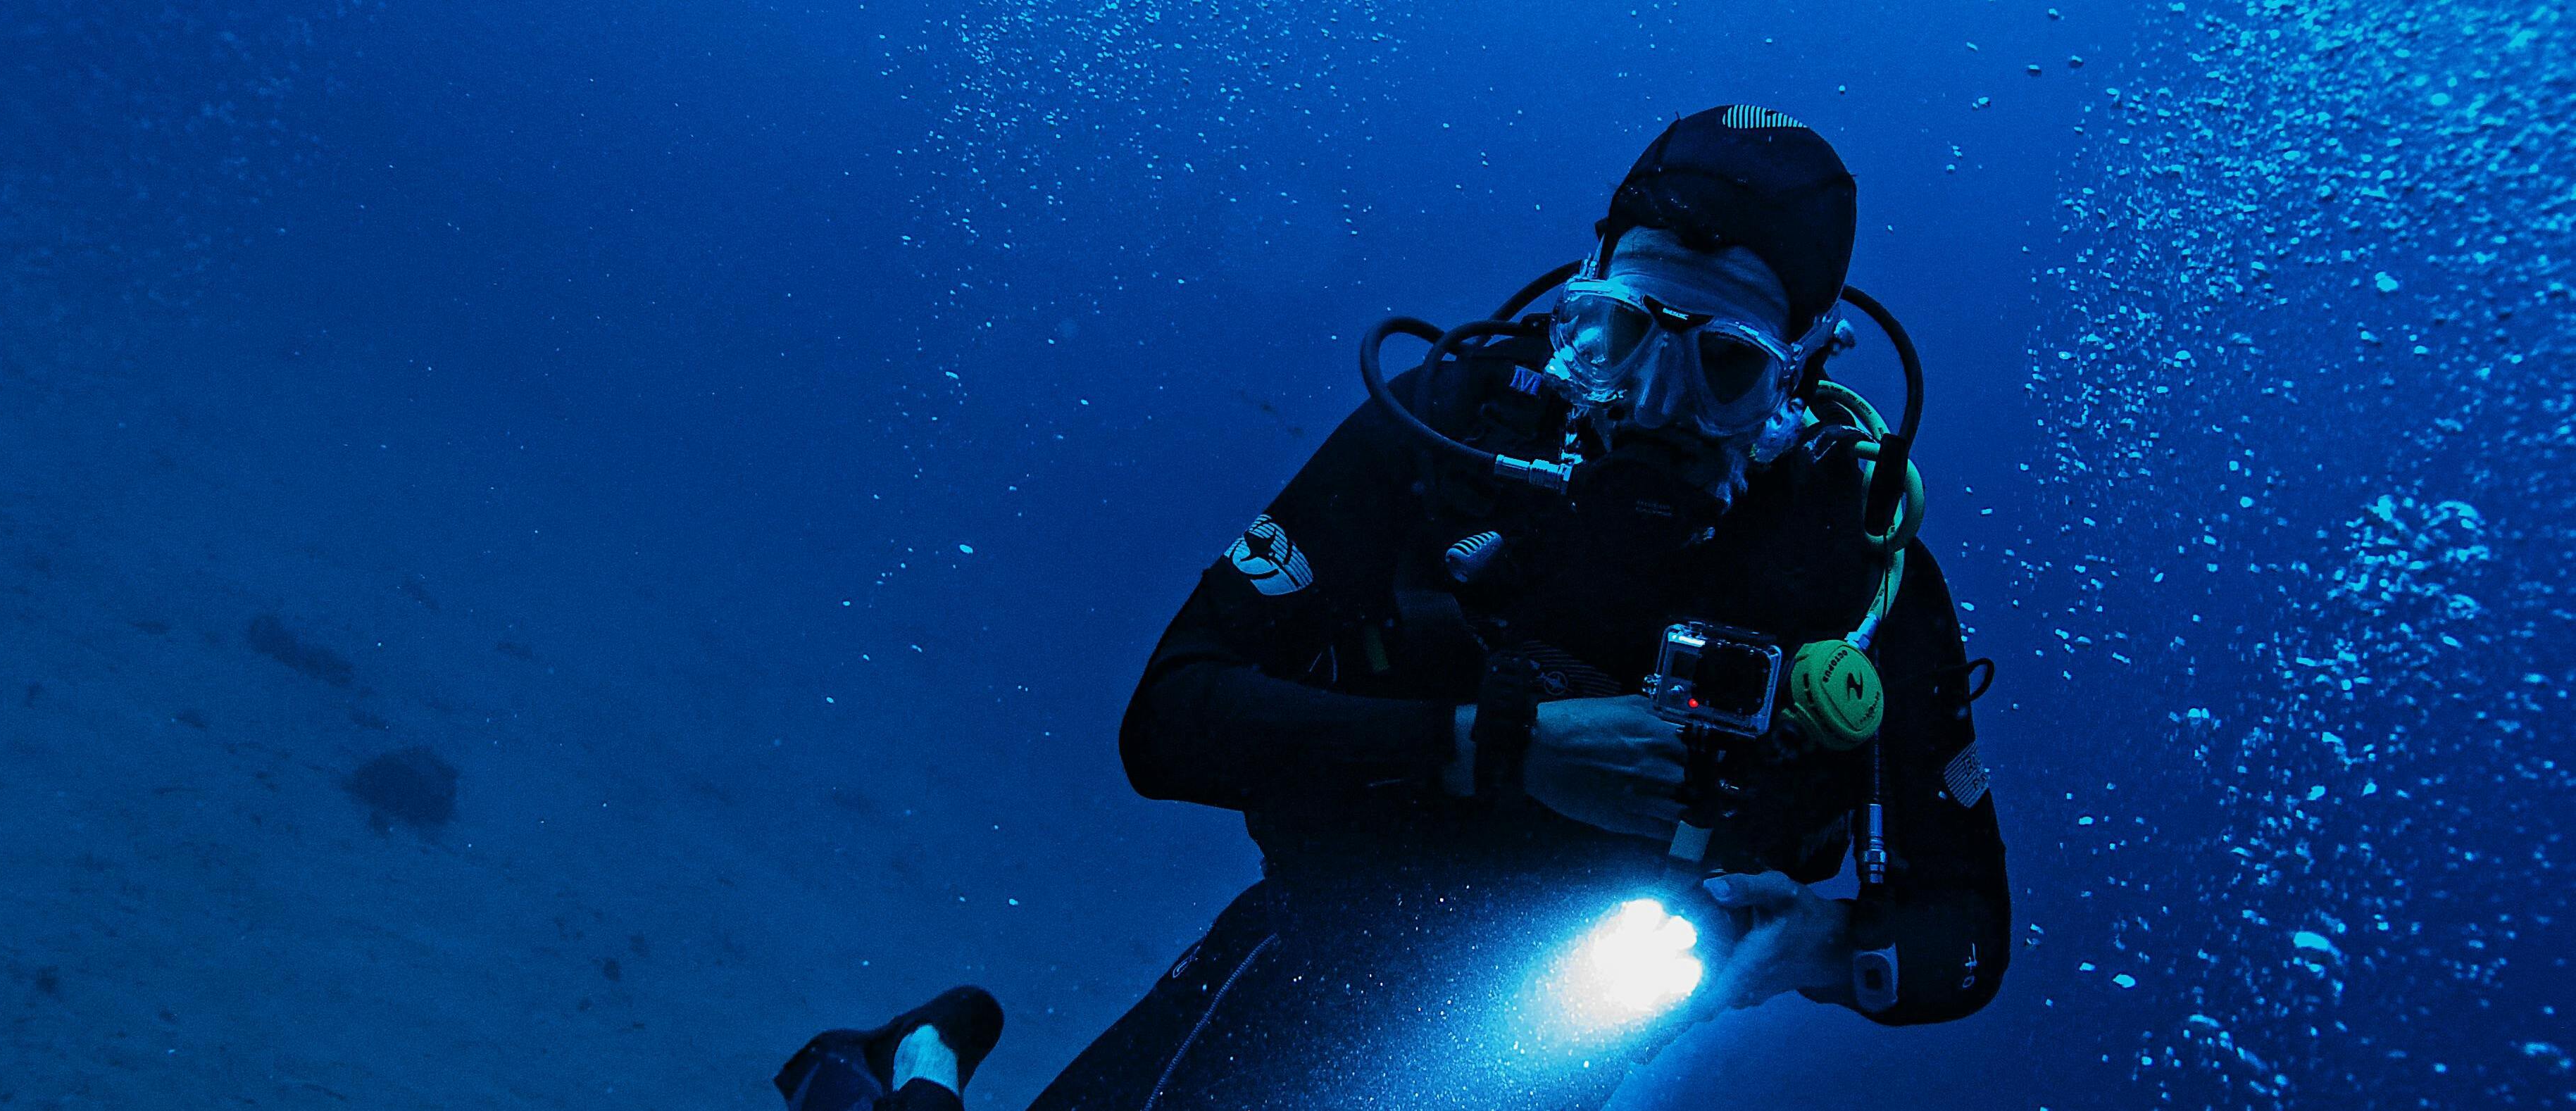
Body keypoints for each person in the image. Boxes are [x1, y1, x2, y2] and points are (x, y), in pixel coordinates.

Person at [780, 103, 2011, 1111]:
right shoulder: (1457, 429)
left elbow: (1970, 932)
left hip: (1549, 1055)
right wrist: (1501, 749)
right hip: (1311, 953)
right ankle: (902, 1069)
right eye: (1622, 333)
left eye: (1724, 362)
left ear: (1807, 358)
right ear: (1581, 289)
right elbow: (1167, 720)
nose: (1651, 399)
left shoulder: (1859, 569)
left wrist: (1819, 948)